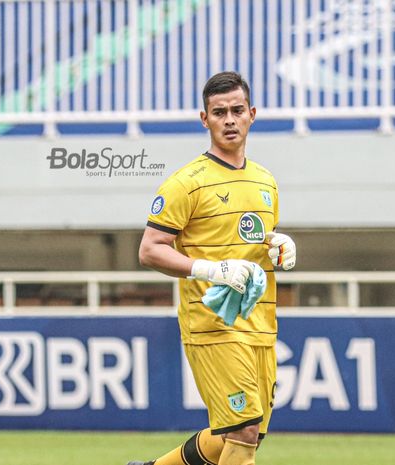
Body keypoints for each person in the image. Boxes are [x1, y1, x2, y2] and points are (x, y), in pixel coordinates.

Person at [130, 71, 296, 465]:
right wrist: (209, 270)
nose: (229, 120)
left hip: (261, 324)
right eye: (219, 112)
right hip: (212, 323)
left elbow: (257, 244)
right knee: (243, 430)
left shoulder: (265, 181)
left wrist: (280, 247)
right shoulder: (185, 184)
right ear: (204, 119)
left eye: (237, 110)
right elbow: (150, 250)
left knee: (241, 438)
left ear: (252, 114)